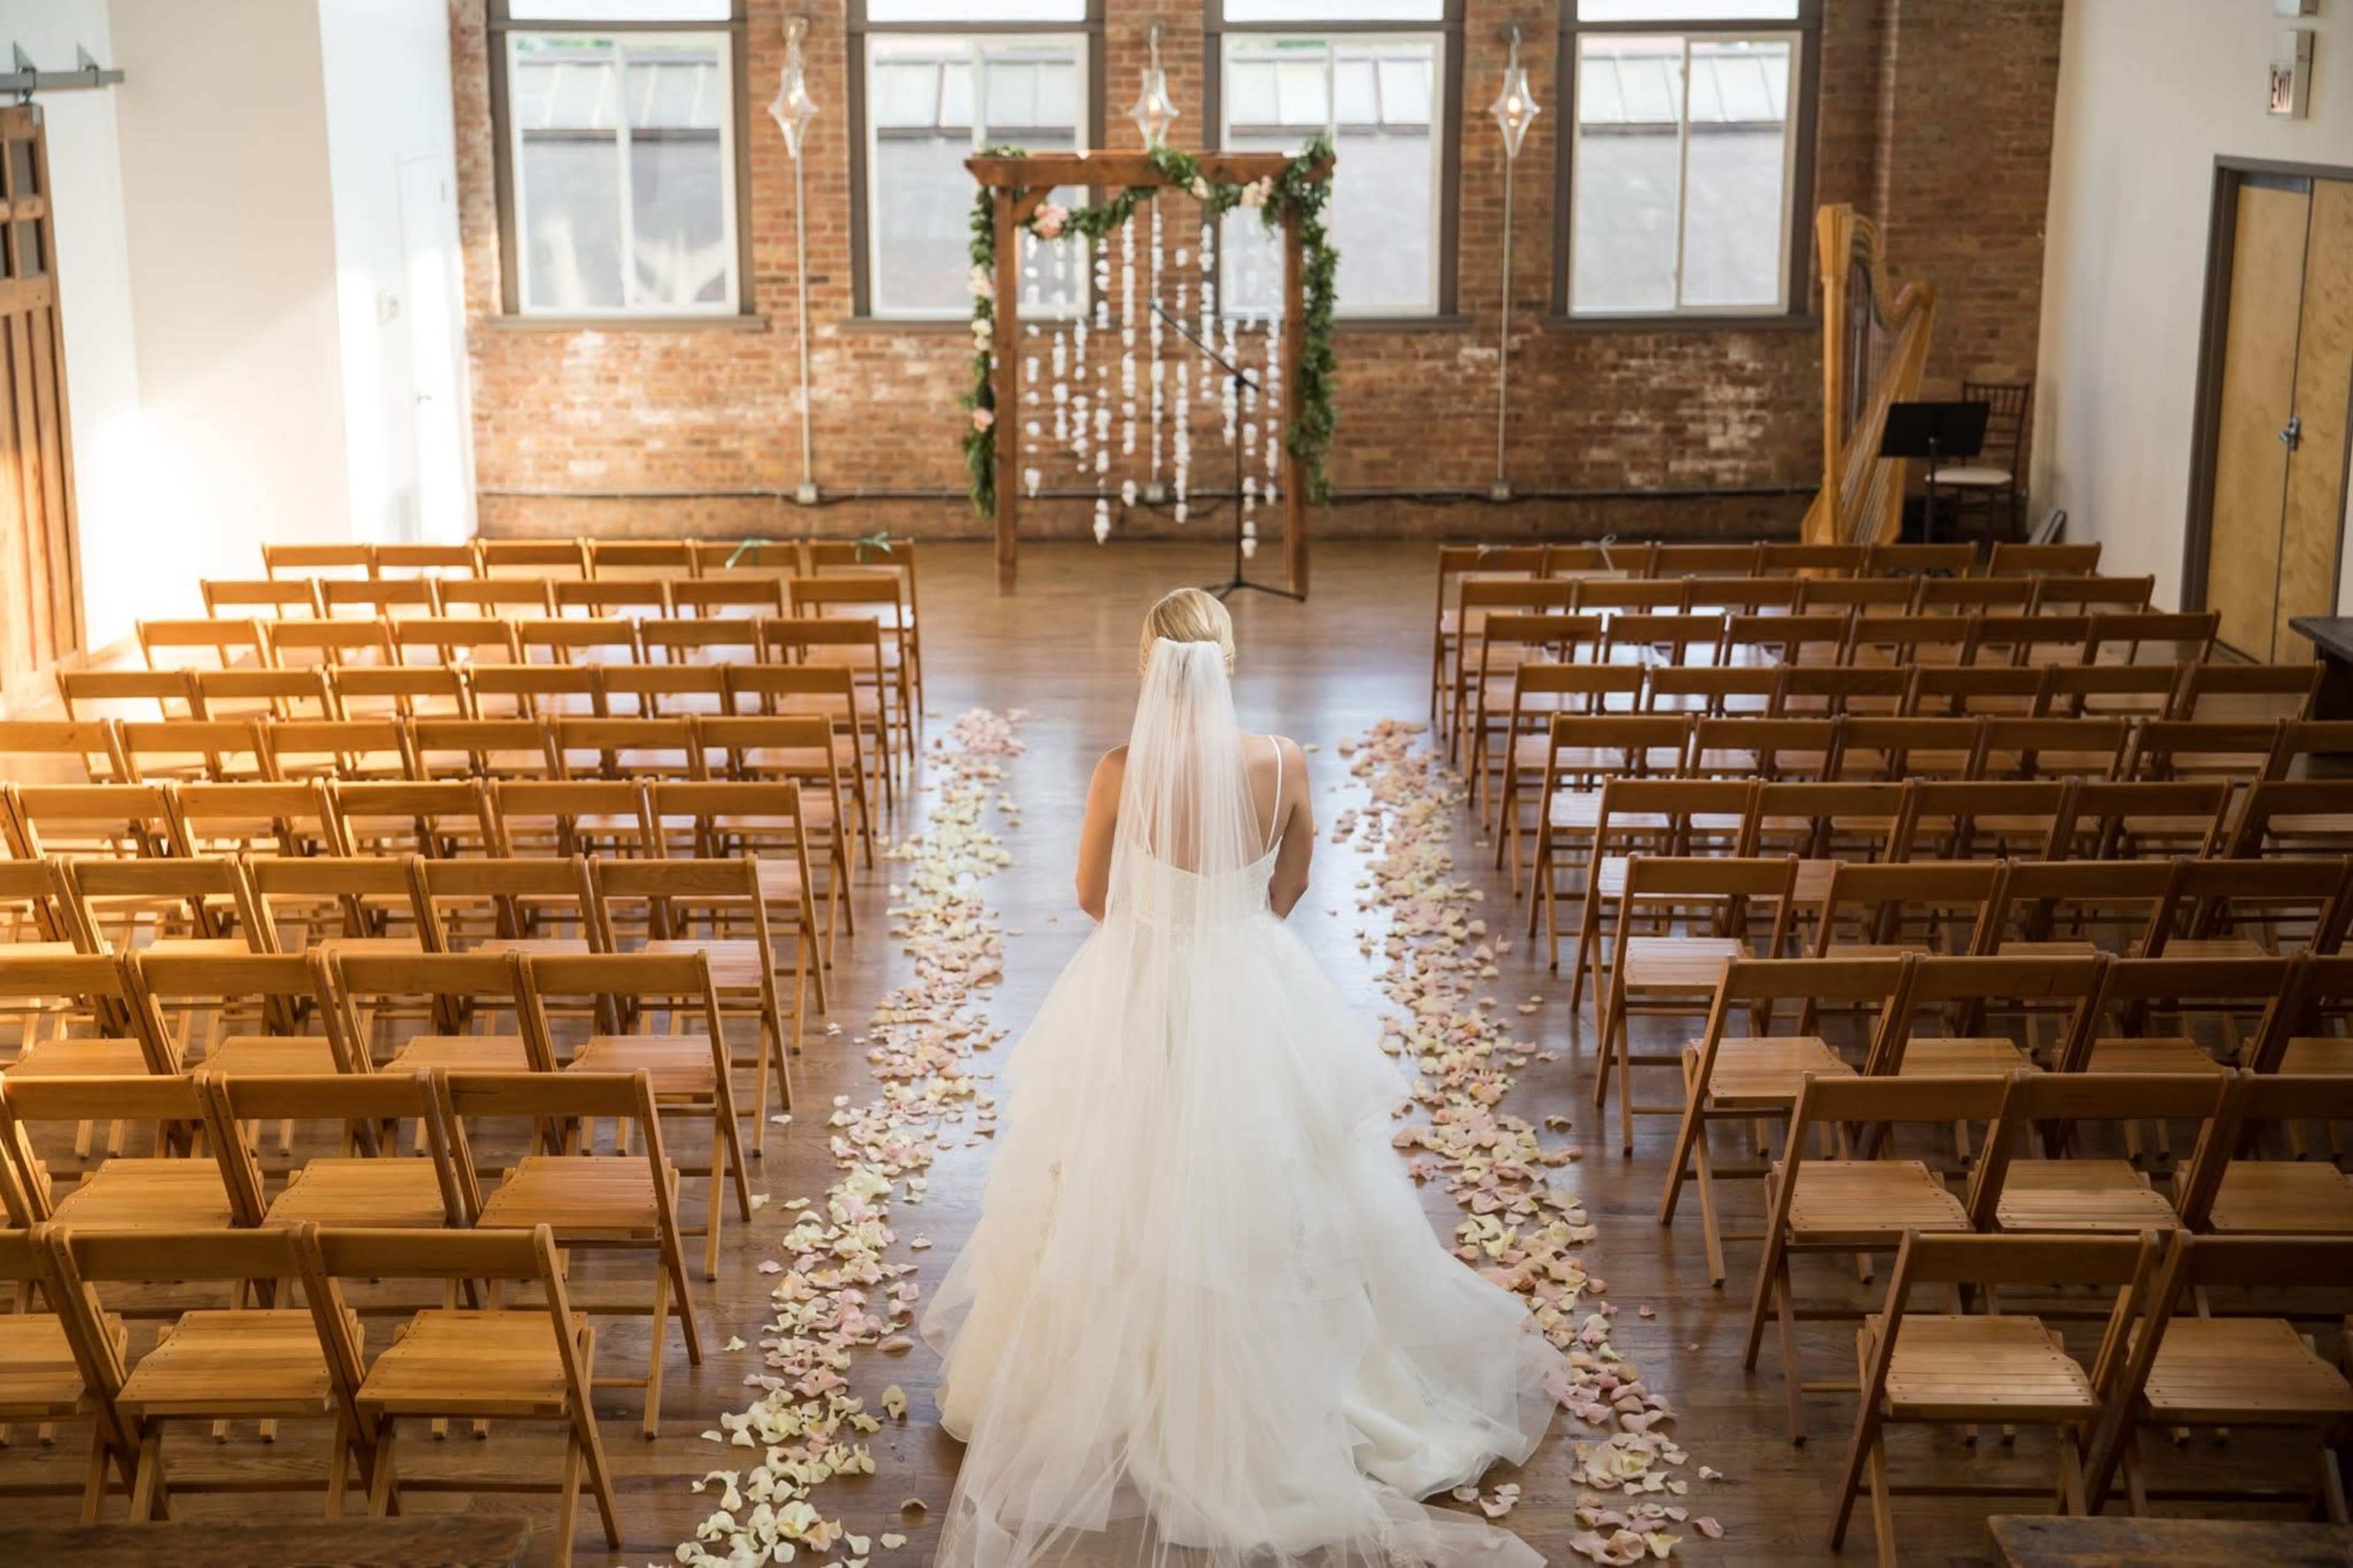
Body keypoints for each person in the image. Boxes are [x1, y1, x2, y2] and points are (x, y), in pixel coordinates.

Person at [921, 588, 1563, 1568]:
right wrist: (1226, 928)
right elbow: (1290, 889)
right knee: (1273, 1187)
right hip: (1252, 981)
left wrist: (1163, 935)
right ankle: (1279, 1394)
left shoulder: (1117, 772)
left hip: (1140, 989)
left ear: (1147, 666)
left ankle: (1118, 1386)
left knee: (1118, 1177)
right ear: (1229, 661)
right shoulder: (1282, 763)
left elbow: (1094, 896)